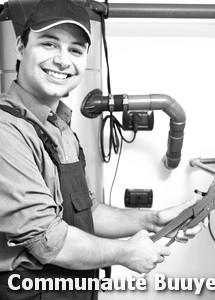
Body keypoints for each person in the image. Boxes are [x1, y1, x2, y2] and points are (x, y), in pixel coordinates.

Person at [0, 0, 204, 299]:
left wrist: (155, 218)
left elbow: (88, 212)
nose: (62, 60)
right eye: (48, 43)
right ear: (20, 46)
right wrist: (124, 253)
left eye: (75, 50)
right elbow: (47, 239)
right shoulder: (7, 129)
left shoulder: (62, 127)